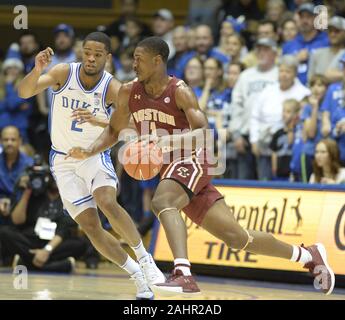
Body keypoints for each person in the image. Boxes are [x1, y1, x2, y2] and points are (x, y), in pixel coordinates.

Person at [67, 36, 335, 296]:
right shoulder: (129, 91)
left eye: (139, 59)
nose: (133, 64)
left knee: (162, 202)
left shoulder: (179, 91)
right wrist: (90, 150)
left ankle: (183, 273)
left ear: (157, 61)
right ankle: (306, 254)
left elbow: (204, 133)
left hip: (194, 158)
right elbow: (115, 131)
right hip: (171, 168)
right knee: (237, 238)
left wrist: (164, 143)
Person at [17, 32, 164, 300]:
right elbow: (24, 92)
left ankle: (145, 258)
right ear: (81, 52)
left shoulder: (113, 87)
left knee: (106, 201)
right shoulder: (63, 72)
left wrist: (99, 121)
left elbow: (134, 126)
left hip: (94, 155)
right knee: (91, 227)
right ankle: (137, 276)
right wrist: (37, 69)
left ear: (108, 58)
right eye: (87, 52)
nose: (91, 58)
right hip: (62, 160)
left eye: (97, 54)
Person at [0, 172, 88, 273]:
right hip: (31, 239)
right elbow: (17, 220)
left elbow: (64, 230)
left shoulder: (69, 199)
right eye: (53, 177)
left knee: (81, 244)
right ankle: (62, 266)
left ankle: (25, 262)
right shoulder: (36, 194)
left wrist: (47, 250)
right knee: (5, 232)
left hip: (54, 243)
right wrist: (27, 192)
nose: (55, 181)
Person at [250, 55, 310, 180]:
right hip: (265, 142)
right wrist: (254, 140)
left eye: (288, 71)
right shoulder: (268, 90)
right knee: (264, 183)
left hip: (288, 147)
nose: (284, 74)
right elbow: (255, 116)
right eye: (281, 71)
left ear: (295, 73)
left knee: (286, 181)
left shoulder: (303, 93)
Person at [229, 37, 279, 179]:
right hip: (245, 136)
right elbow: (236, 106)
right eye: (259, 50)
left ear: (275, 54)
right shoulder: (245, 76)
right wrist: (236, 134)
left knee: (266, 181)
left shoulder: (280, 74)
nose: (261, 53)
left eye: (266, 50)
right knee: (244, 181)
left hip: (269, 137)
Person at [0, 126, 33, 222]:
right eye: (6, 140)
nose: (9, 143)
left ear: (20, 141)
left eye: (13, 140)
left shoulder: (30, 164)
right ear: (1, 141)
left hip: (22, 211)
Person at [308, 16, 345, 83]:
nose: (333, 34)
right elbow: (309, 81)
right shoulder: (317, 54)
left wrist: (339, 75)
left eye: (337, 31)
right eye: (330, 31)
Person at [270, 99, 300, 180]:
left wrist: (291, 126)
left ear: (296, 114)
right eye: (283, 111)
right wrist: (274, 169)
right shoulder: (278, 133)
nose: (284, 114)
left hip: (293, 174)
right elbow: (274, 152)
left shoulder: (298, 131)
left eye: (288, 111)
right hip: (279, 173)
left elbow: (290, 142)